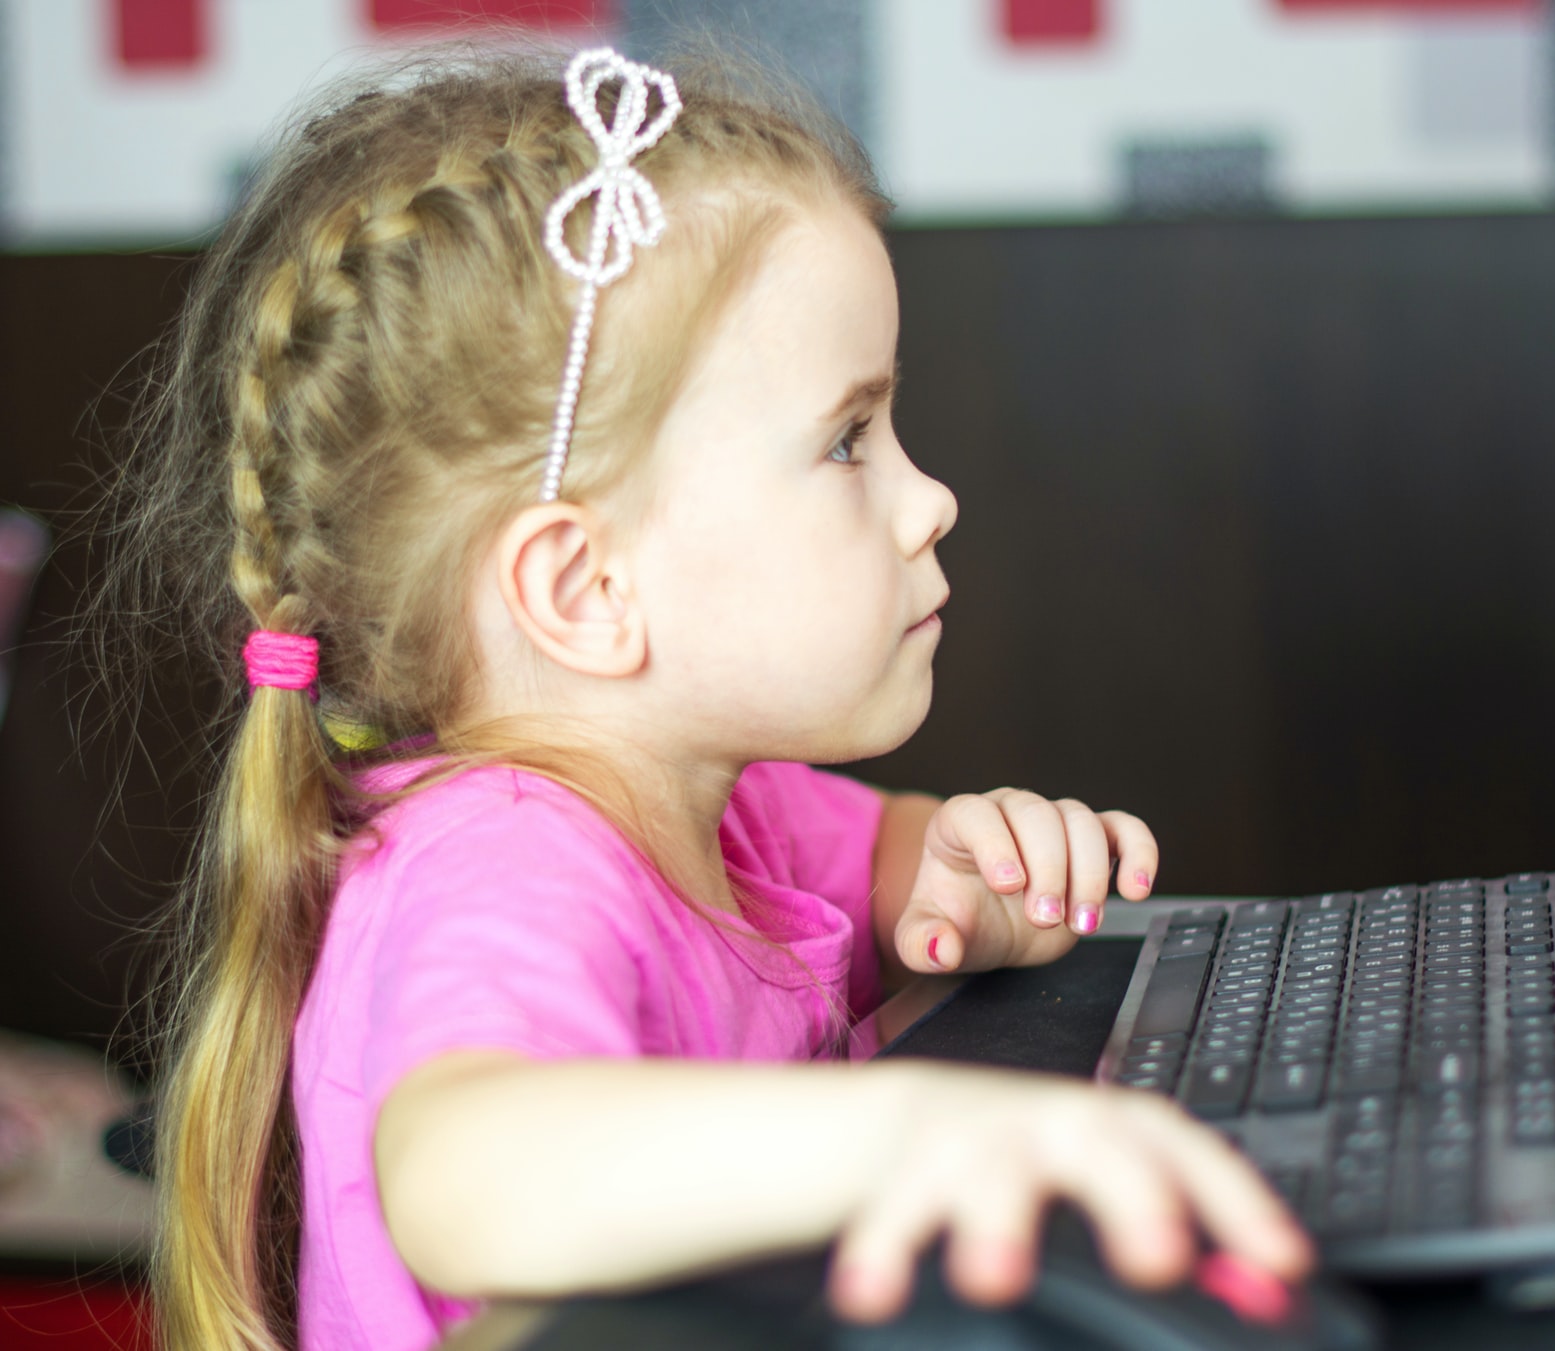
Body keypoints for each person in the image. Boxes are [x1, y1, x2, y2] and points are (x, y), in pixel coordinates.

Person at [105, 41, 1313, 1351]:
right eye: (848, 441)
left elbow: (899, 873)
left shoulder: (718, 811)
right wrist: (916, 1128)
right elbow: (477, 1174)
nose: (931, 499)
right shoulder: (504, 864)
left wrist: (979, 871)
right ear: (584, 590)